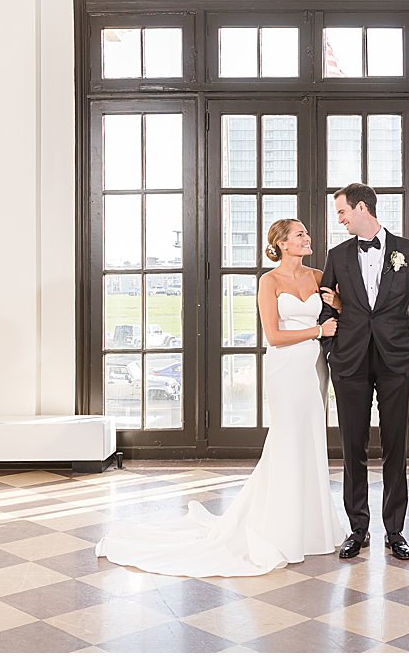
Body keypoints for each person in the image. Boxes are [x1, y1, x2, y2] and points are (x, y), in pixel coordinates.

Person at [95, 218, 346, 576]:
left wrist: (336, 303)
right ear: (282, 243)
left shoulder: (318, 276)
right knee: (288, 442)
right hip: (285, 369)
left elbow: (343, 310)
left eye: (307, 233)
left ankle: (313, 530)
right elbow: (273, 335)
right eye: (300, 234)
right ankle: (282, 530)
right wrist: (317, 330)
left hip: (313, 370)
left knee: (311, 441)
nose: (308, 238)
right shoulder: (269, 282)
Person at [318, 182, 409, 562]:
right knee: (352, 448)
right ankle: (357, 529)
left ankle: (396, 530)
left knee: (395, 448)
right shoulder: (337, 256)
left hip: (396, 361)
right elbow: (326, 310)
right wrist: (332, 350)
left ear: (362, 208)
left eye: (342, 212)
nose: (339, 219)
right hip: (349, 362)